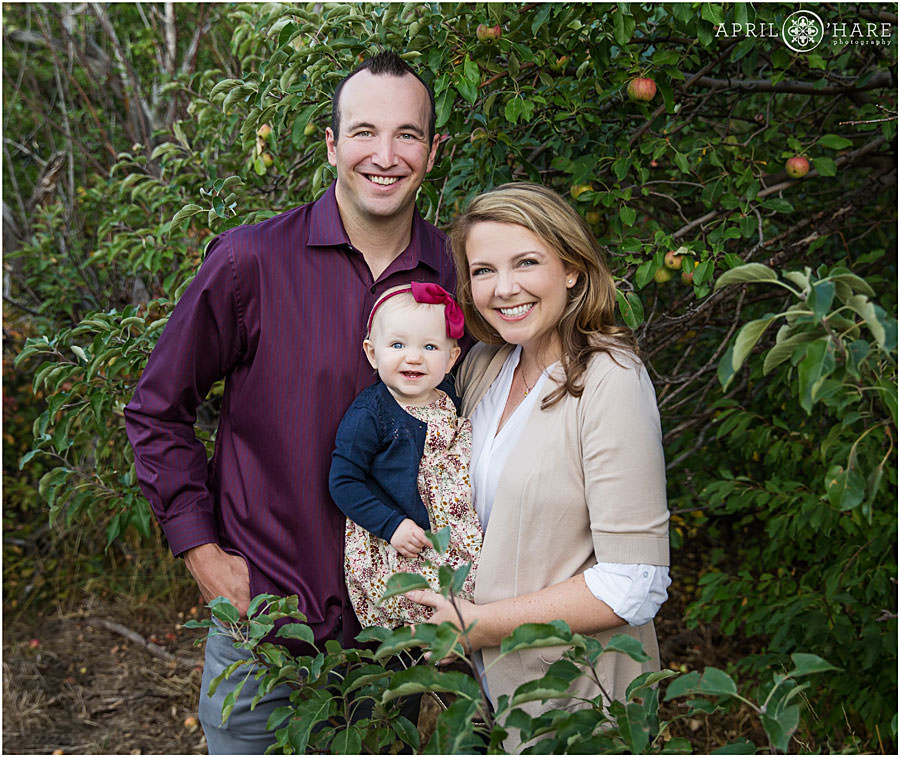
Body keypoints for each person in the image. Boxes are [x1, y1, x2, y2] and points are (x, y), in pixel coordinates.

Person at [124, 50, 454, 753]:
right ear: (332, 145)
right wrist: (201, 552)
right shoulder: (250, 262)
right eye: (363, 132)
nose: (385, 156)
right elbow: (157, 408)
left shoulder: (456, 273)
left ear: (433, 151)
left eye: (407, 134)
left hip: (393, 644)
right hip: (264, 633)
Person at [409, 183, 671, 752]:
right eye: (483, 271)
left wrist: (476, 624)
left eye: (526, 262)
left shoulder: (610, 379)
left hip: (578, 699)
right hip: (489, 694)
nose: (504, 288)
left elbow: (634, 583)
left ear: (572, 269)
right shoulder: (485, 364)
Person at [329, 282, 481, 629]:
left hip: (450, 531)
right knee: (418, 602)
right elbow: (343, 481)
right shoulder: (371, 413)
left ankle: (458, 635)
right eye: (398, 345)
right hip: (399, 538)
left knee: (467, 597)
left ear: (451, 358)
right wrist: (391, 525)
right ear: (372, 353)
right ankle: (420, 638)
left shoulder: (447, 396)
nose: (413, 357)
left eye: (430, 346)